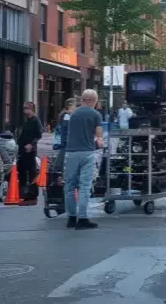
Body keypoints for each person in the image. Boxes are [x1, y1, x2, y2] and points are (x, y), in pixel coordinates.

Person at [64, 89, 104, 229]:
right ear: (93, 100)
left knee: (69, 186)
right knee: (84, 186)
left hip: (70, 152)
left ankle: (71, 217)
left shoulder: (73, 113)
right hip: (87, 153)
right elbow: (99, 139)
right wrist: (100, 141)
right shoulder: (96, 114)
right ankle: (82, 218)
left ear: (83, 99)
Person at [17, 102, 43, 205]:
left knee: (31, 172)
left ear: (32, 110)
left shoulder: (35, 121)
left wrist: (31, 145)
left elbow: (39, 135)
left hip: (30, 150)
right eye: (24, 109)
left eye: (27, 109)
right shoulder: (26, 121)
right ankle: (23, 194)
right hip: (22, 149)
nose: (25, 111)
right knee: (22, 171)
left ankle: (32, 195)